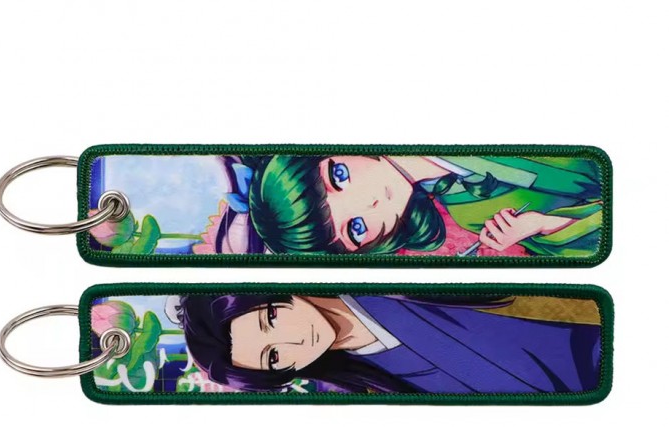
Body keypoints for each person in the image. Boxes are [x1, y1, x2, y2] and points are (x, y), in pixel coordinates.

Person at [178, 293, 601, 394]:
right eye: (274, 357)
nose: (294, 338)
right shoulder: (371, 386)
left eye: (272, 317)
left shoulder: (391, 288)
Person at [241, 154, 603, 256]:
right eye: (356, 227)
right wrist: (543, 225)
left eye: (339, 176)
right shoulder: (472, 213)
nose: (369, 200)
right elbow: (596, 240)